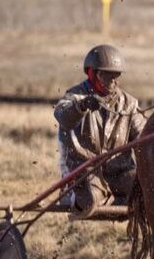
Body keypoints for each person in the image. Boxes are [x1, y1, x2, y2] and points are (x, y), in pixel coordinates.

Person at [54, 44, 145, 215]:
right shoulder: (75, 96)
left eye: (116, 77)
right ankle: (75, 195)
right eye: (107, 76)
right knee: (90, 198)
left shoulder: (129, 104)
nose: (113, 82)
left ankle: (115, 200)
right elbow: (61, 114)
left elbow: (144, 135)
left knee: (148, 189)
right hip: (84, 173)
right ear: (92, 73)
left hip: (120, 172)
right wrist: (82, 106)